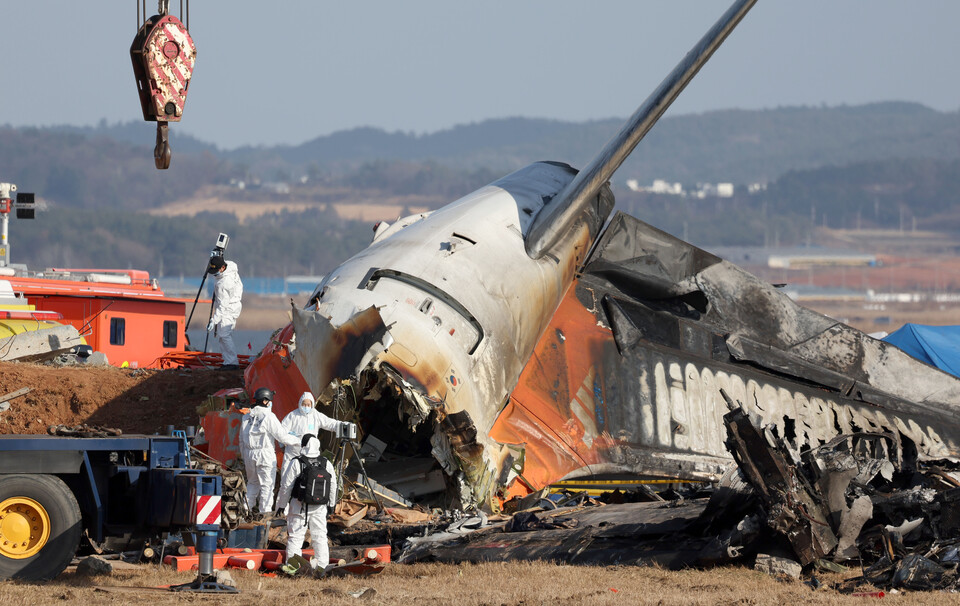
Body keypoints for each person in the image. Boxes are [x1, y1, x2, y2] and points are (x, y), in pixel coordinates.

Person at [276, 433, 337, 571]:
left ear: (303, 446)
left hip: (299, 506)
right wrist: (331, 504)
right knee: (320, 536)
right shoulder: (326, 463)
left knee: (296, 537)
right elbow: (333, 485)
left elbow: (286, 487)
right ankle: (322, 567)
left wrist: (282, 505)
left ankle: (293, 568)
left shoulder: (296, 462)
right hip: (320, 506)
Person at [240, 387, 299, 515]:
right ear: (266, 401)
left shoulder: (246, 418)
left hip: (249, 454)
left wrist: (245, 456)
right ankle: (264, 515)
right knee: (267, 486)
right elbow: (282, 436)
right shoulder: (269, 416)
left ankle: (245, 513)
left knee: (252, 484)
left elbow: (241, 440)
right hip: (265, 454)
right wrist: (298, 441)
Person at [280, 392, 353, 474]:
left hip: (310, 454)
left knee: (307, 478)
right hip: (293, 453)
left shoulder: (316, 415)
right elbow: (281, 431)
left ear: (312, 404)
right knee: (288, 475)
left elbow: (330, 423)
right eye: (304, 404)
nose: (306, 407)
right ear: (300, 403)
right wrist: (282, 445)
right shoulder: (292, 415)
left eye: (308, 404)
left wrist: (344, 427)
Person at [206, 255, 243, 370]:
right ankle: (228, 361)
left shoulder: (224, 284)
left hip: (229, 308)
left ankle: (232, 363)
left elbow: (222, 306)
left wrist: (214, 320)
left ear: (222, 268)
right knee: (223, 335)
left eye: (215, 272)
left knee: (225, 335)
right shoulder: (230, 266)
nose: (214, 274)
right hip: (233, 304)